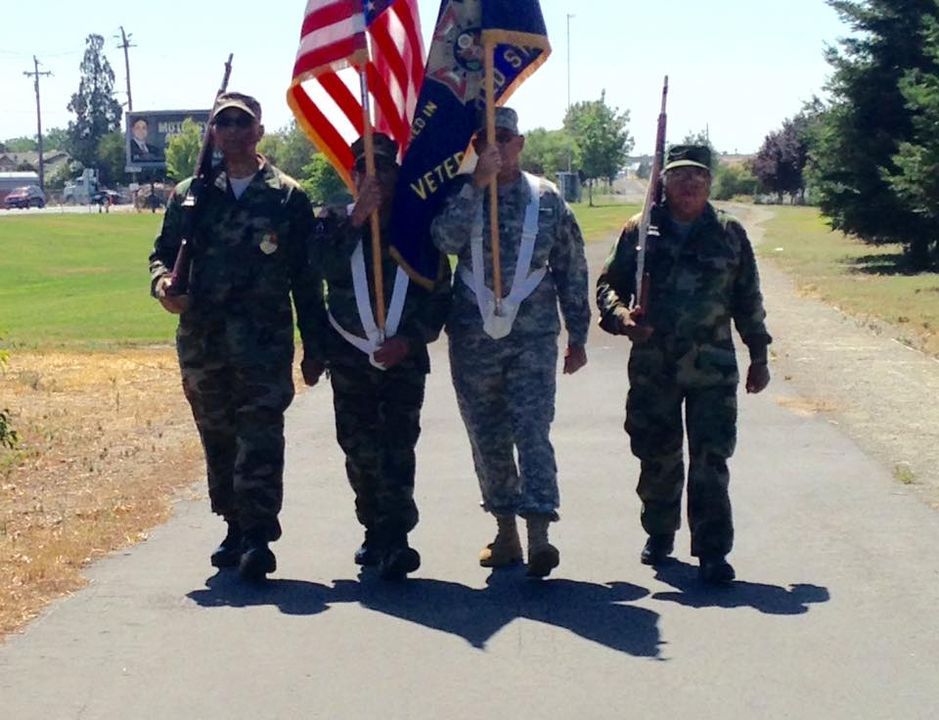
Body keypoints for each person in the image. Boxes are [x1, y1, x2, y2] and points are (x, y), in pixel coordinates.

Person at [148, 92, 321, 582]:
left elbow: (306, 280)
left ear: (259, 132)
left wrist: (315, 346)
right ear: (213, 134)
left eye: (242, 124)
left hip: (264, 345)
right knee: (218, 435)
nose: (232, 133)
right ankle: (233, 522)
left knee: (261, 434)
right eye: (223, 125)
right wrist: (164, 287)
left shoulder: (287, 197)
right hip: (204, 343)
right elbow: (160, 255)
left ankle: (259, 535)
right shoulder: (191, 194)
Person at [596, 145, 772, 584]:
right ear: (663, 181)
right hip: (654, 366)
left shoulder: (729, 233)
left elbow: (748, 297)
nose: (689, 184)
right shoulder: (640, 231)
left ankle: (712, 551)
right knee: (657, 455)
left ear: (710, 182)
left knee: (712, 459)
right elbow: (607, 288)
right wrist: (622, 320)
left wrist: (759, 354)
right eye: (679, 176)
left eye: (697, 176)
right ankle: (659, 531)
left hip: (712, 368)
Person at [431, 107, 590, 578]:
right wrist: (476, 184)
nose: (496, 146)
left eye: (505, 137)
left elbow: (572, 268)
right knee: (487, 434)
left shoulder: (547, 200)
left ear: (520, 143)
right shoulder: (463, 193)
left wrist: (578, 334)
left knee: (532, 430)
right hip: (474, 337)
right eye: (487, 138)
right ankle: (505, 531)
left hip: (533, 336)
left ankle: (540, 532)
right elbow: (443, 240)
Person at [302, 133, 451, 580]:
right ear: (352, 175)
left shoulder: (418, 231)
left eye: (383, 169)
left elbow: (440, 296)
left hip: (402, 358)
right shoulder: (332, 220)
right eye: (363, 169)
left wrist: (410, 339)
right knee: (359, 449)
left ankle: (397, 538)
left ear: (396, 174)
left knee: (398, 447)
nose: (373, 177)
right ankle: (372, 529)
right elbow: (318, 270)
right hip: (349, 358)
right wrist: (357, 219)